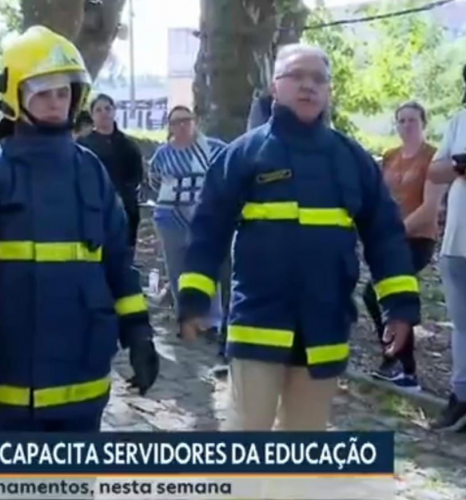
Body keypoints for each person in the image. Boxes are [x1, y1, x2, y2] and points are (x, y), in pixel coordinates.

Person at [177, 43, 420, 431]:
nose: (308, 86)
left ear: (328, 91)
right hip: (258, 323)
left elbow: (385, 237)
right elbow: (208, 231)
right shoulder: (244, 154)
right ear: (275, 86)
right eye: (297, 76)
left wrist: (401, 308)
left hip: (325, 327)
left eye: (318, 79)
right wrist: (193, 300)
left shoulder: (352, 159)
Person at [0, 26, 160, 444]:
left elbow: (118, 262)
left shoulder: (91, 170)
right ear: (16, 97)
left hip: (83, 386)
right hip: (8, 387)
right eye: (42, 92)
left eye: (63, 91)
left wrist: (139, 335)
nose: (56, 102)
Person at [363, 102, 444, 391]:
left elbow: (430, 208)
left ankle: (407, 372)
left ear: (423, 123)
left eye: (412, 120)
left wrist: (397, 231)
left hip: (418, 239)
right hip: (390, 239)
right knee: (374, 296)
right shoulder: (390, 156)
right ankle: (393, 360)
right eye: (401, 120)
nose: (407, 125)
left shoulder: (432, 158)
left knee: (387, 293)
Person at [148, 105, 227, 340]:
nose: (181, 126)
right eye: (175, 122)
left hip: (203, 217)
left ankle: (211, 321)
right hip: (169, 219)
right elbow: (153, 180)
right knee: (177, 269)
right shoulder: (162, 154)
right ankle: (186, 319)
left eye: (185, 120)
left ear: (195, 122)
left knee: (206, 267)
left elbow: (226, 176)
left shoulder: (214, 149)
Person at [426, 66, 466, 432]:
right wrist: (458, 164)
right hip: (457, 243)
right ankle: (462, 397)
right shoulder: (459, 121)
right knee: (462, 326)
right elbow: (434, 171)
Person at [78, 94, 145, 247]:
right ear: (92, 115)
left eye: (108, 108)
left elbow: (136, 176)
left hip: (124, 210)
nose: (104, 113)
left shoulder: (128, 145)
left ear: (114, 111)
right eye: (99, 110)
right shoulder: (83, 146)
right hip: (93, 210)